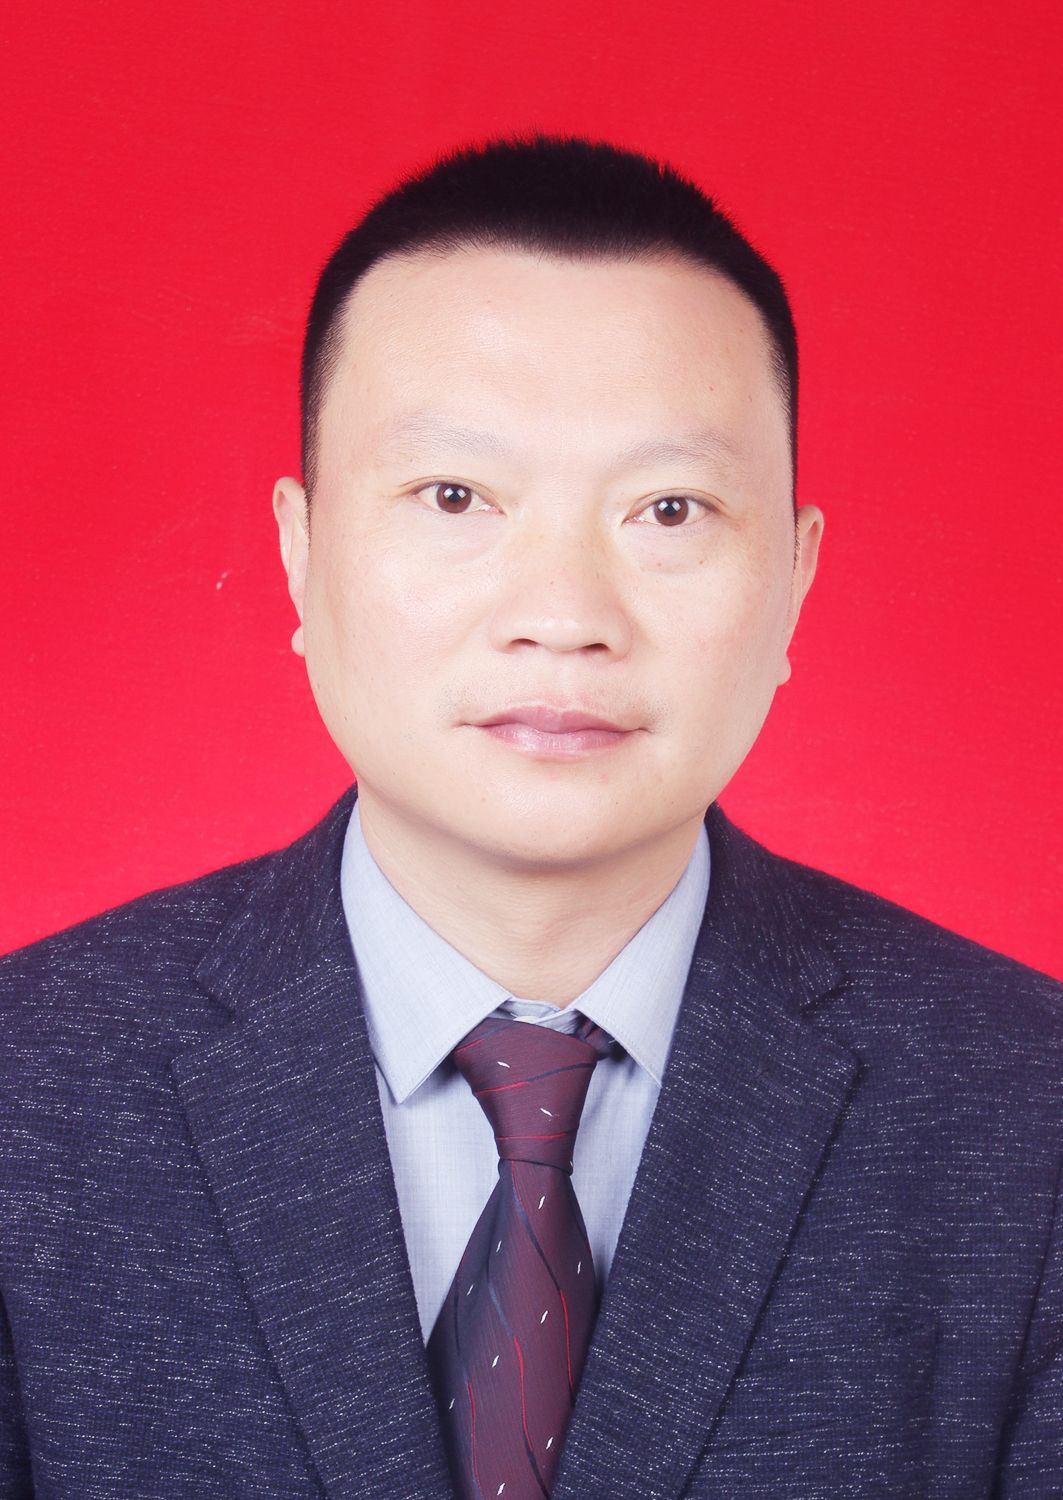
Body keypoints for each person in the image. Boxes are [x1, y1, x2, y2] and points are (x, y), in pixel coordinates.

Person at [1, 132, 1060, 1499]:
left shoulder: (1027, 1120)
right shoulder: (30, 1090)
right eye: (455, 497)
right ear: (301, 553)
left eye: (668, 509)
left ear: (796, 581)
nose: (563, 616)